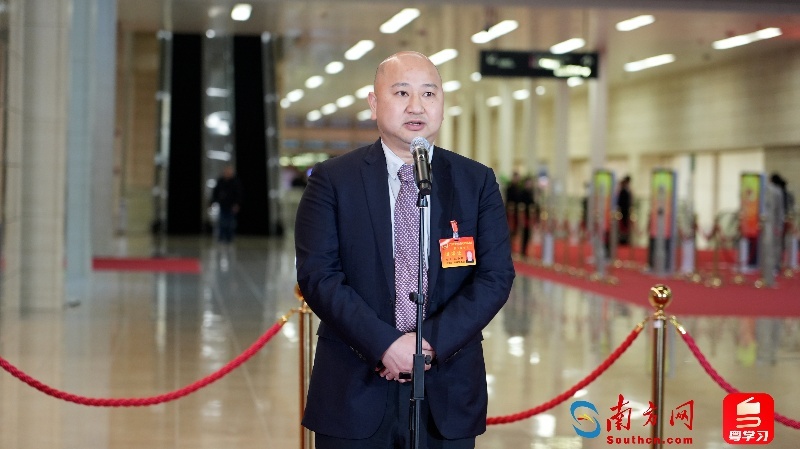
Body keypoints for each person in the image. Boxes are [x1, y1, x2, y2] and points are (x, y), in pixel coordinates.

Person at [294, 51, 515, 449]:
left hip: (446, 387)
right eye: (401, 93)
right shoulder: (333, 180)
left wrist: (429, 344)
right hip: (353, 385)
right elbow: (318, 275)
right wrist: (385, 345)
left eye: (429, 93)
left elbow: (495, 276)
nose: (417, 106)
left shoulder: (475, 181)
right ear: (374, 103)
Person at [210, 164, 243, 245]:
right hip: (222, 205)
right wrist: (213, 202)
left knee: (230, 222)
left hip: (231, 206)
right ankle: (221, 237)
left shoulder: (235, 182)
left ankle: (229, 238)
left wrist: (237, 204)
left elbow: (239, 194)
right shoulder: (220, 181)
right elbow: (215, 192)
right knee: (222, 222)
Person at [616, 175, 632, 245]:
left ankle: (624, 239)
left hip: (626, 211)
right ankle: (622, 240)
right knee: (622, 226)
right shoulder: (622, 191)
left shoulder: (627, 190)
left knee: (625, 226)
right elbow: (620, 202)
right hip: (623, 211)